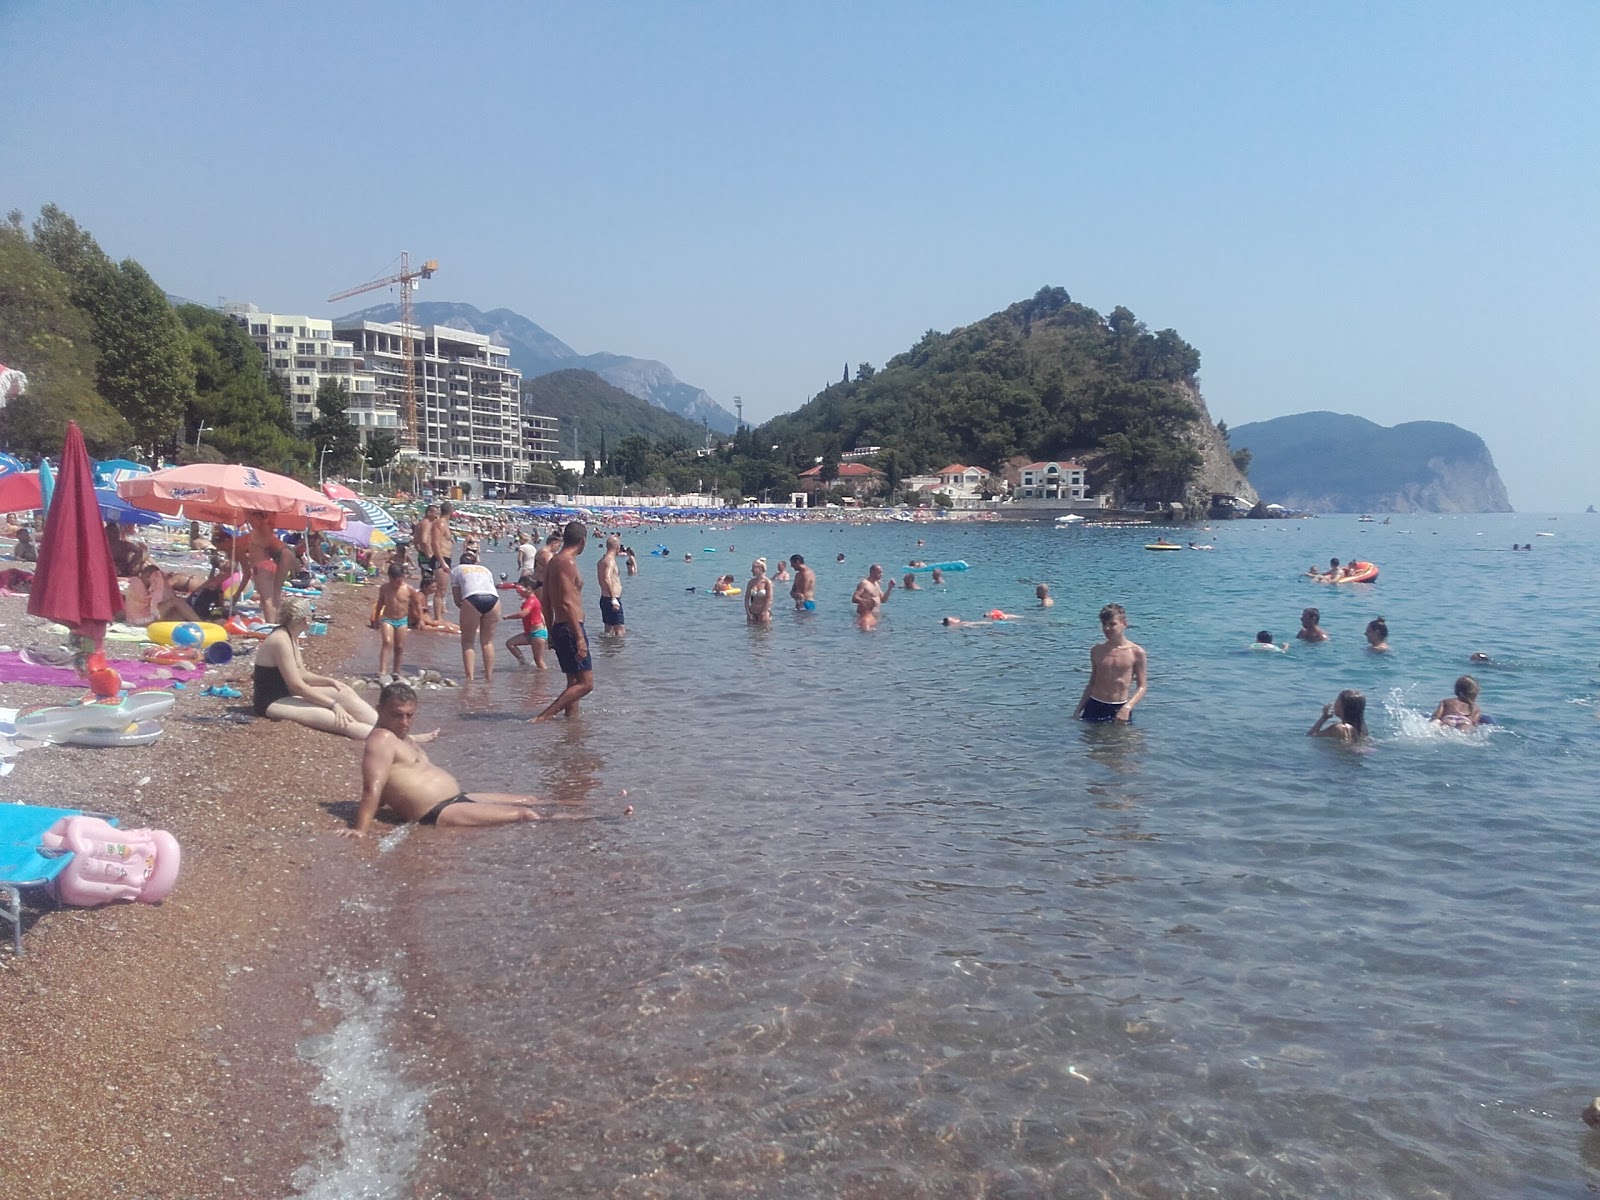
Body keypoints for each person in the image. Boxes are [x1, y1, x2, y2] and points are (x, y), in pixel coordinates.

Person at [342, 682, 629, 835]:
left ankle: (597, 803)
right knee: (524, 815)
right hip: (436, 812)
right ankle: (603, 817)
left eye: (409, 715)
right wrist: (359, 829)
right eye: (397, 715)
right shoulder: (380, 739)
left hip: (456, 798)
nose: (405, 722)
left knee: (530, 800)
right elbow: (372, 787)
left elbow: (392, 784)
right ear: (379, 709)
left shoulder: (399, 738)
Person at [253, 596, 380, 740]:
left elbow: (302, 673)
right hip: (272, 701)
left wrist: (330, 682)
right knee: (343, 721)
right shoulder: (280, 640)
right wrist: (332, 704)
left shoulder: (291, 635)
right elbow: (297, 686)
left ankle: (391, 730)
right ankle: (391, 741)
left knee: (345, 693)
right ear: (305, 619)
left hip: (287, 693)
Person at [531, 521, 593, 721]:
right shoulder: (567, 562)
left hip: (560, 627)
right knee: (586, 684)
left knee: (573, 682)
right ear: (583, 541)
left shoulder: (553, 563)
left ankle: (572, 727)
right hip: (570, 627)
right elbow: (566, 603)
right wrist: (579, 638)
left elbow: (546, 602)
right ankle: (543, 717)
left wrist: (550, 631)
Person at [1073, 603, 1148, 723]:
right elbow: (1092, 683)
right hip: (1094, 705)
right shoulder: (1097, 650)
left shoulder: (1136, 652)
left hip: (1119, 707)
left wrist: (1127, 707)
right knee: (1090, 741)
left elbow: (1142, 686)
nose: (1107, 628)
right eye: (1104, 624)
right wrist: (1077, 710)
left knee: (1121, 741)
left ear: (1124, 624)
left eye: (1112, 624)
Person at [450, 549, 500, 681]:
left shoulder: (456, 570)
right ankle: (489, 677)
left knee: (467, 642)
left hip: (473, 598)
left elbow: (457, 599)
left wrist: (467, 612)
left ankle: (469, 678)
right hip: (494, 600)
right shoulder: (485, 569)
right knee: (487, 642)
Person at [242, 513, 294, 624]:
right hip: (270, 564)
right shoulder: (267, 529)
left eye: (251, 516)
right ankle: (276, 622)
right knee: (274, 594)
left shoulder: (258, 532)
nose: (249, 519)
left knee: (266, 599)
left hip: (260, 566)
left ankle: (271, 625)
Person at [372, 563, 416, 680]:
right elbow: (380, 603)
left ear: (403, 577)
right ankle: (382, 670)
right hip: (388, 618)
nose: (396, 583)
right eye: (393, 580)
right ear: (389, 577)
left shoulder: (408, 589)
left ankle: (396, 671)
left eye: (398, 580)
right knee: (387, 642)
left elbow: (417, 604)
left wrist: (419, 619)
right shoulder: (385, 588)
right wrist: (376, 618)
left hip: (402, 620)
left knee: (399, 646)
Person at [123, 563, 202, 626]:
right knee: (176, 601)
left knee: (177, 613)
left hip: (137, 618)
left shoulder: (137, 583)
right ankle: (201, 623)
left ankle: (197, 622)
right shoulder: (138, 583)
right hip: (141, 618)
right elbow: (153, 602)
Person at [505, 575, 547, 669]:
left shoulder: (532, 600)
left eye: (520, 589)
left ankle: (543, 679)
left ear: (528, 588)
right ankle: (523, 663)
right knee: (510, 643)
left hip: (538, 634)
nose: (518, 591)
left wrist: (507, 616)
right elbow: (540, 615)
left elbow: (523, 614)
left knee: (538, 660)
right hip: (529, 633)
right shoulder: (529, 599)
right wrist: (503, 586)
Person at [597, 534, 625, 636]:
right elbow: (606, 578)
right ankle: (619, 651)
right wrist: (614, 599)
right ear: (617, 547)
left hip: (604, 598)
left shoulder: (601, 561)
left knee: (608, 630)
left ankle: (608, 651)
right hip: (612, 599)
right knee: (620, 631)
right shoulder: (610, 561)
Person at [852, 563, 894, 629]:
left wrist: (889, 588)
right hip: (865, 616)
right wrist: (866, 602)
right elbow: (854, 598)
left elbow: (883, 600)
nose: (881, 575)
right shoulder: (864, 583)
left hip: (875, 616)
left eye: (881, 572)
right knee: (865, 633)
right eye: (879, 572)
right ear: (872, 572)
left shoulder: (876, 583)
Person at [744, 557, 774, 624]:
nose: (751, 570)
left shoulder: (767, 582)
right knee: (751, 633)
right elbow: (746, 598)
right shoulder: (751, 582)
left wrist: (763, 613)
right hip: (752, 612)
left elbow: (769, 599)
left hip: (764, 612)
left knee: (764, 633)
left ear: (760, 569)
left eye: (753, 568)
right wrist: (748, 613)